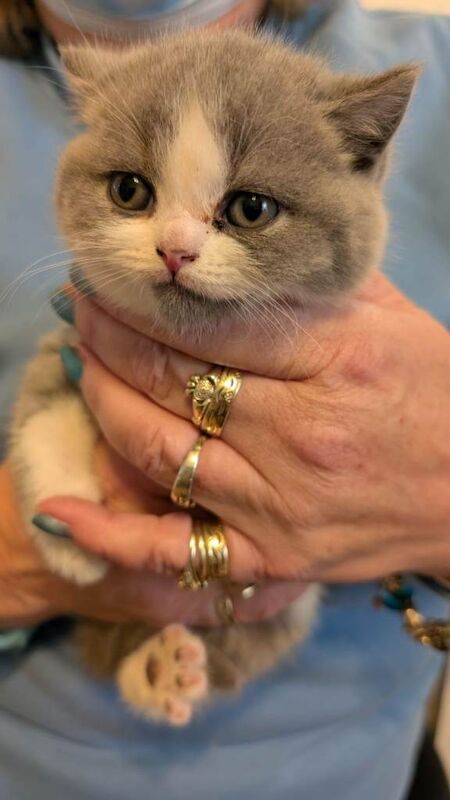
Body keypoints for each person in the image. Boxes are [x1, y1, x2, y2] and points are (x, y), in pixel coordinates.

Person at [0, 1, 449, 799]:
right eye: (134, 192)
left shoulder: (423, 61)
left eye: (246, 209)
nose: (177, 247)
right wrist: (39, 548)